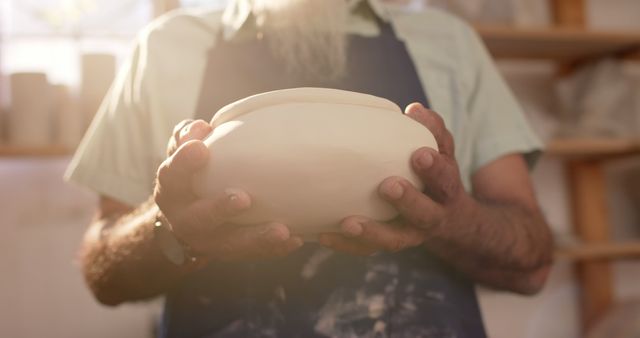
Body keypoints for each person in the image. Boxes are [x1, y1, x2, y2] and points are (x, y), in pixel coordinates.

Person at [66, 0, 553, 337]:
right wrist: (170, 228)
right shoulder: (166, 45)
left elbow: (532, 265)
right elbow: (103, 276)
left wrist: (451, 219)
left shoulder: (448, 43)